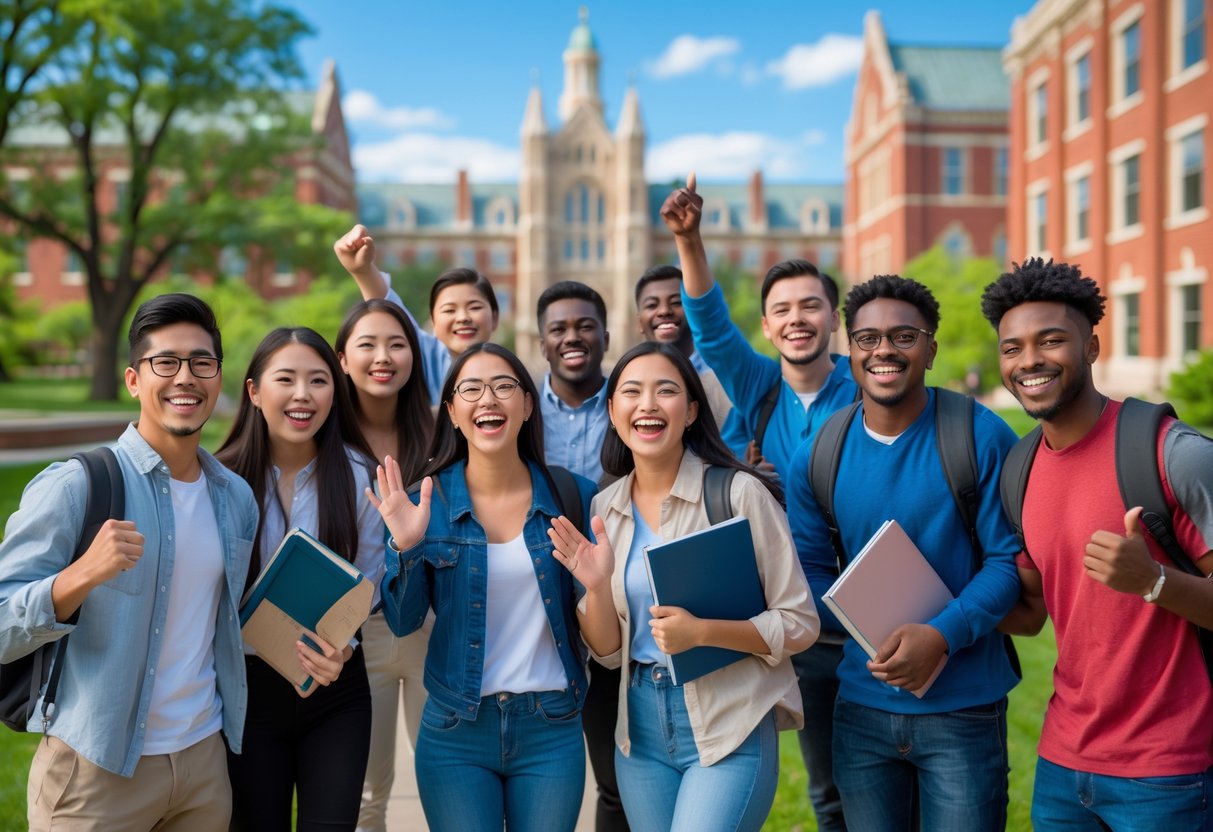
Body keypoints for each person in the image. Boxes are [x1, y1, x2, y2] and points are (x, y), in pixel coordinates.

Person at [0, 294, 258, 830]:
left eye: (201, 363)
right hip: (97, 770)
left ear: (218, 377)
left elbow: (223, 623)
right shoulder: (78, 485)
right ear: (134, 380)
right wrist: (81, 575)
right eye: (165, 362)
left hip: (204, 765)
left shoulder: (235, 498)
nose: (185, 377)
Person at [549, 341, 819, 832]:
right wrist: (596, 584)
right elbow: (609, 653)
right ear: (612, 411)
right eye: (631, 391)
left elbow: (800, 623)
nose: (648, 404)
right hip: (640, 732)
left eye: (666, 391)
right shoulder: (604, 507)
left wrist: (703, 632)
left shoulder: (739, 494)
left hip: (730, 718)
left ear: (692, 410)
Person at [982, 258, 1213, 829]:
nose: (1029, 360)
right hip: (1063, 764)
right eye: (1011, 349)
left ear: (1091, 347)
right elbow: (1031, 613)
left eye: (1051, 340)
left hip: (1168, 769)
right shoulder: (1020, 468)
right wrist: (933, 601)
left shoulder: (1172, 453)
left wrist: (1154, 580)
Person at [788, 275, 1021, 831]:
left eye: (903, 336)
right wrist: (867, 623)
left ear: (931, 349)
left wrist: (941, 634)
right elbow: (810, 573)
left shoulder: (980, 436)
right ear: (850, 353)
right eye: (867, 338)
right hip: (862, 708)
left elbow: (1008, 562)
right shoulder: (818, 455)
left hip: (964, 709)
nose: (884, 350)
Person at [661, 173, 857, 831]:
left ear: (833, 317)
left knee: (885, 777)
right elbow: (709, 328)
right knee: (827, 790)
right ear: (767, 325)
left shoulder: (868, 391)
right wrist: (689, 241)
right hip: (788, 615)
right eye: (781, 310)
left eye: (810, 306)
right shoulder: (757, 388)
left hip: (866, 613)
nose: (796, 320)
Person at [368, 342, 596, 831]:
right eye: (470, 389)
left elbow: (603, 634)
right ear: (452, 411)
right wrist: (405, 547)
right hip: (456, 732)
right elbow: (403, 622)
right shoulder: (425, 503)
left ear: (528, 405)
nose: (487, 399)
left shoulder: (572, 496)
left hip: (551, 727)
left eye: (504, 386)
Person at [216, 327, 379, 831]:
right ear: (254, 391)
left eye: (318, 380)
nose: (303, 395)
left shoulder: (359, 475)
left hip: (336, 687)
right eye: (285, 379)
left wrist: (342, 650)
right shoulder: (218, 481)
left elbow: (367, 583)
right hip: (247, 691)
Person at [334, 299, 434, 832]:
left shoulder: (439, 434)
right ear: (342, 359)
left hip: (430, 628)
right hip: (355, 634)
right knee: (367, 792)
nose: (383, 357)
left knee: (446, 776)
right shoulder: (322, 437)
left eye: (396, 344)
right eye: (367, 345)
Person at [335, 223, 499, 402]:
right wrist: (363, 270)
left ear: (495, 317)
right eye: (449, 310)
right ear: (433, 322)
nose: (463, 318)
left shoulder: (508, 372)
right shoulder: (427, 356)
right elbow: (390, 309)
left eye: (474, 307)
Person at [633, 264, 740, 452]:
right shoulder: (627, 386)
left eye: (677, 302)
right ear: (640, 322)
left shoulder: (726, 383)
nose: (664, 311)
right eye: (652, 305)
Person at [537, 280, 612, 484]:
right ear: (543, 347)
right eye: (558, 329)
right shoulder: (520, 412)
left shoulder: (631, 409)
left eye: (585, 326)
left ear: (605, 340)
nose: (571, 338)